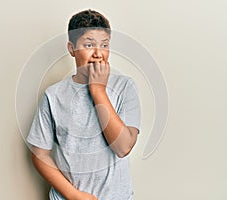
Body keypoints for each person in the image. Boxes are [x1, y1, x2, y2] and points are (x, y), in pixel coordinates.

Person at [27, 9, 141, 200]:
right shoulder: (53, 95)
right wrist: (73, 195)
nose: (98, 54)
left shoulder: (125, 87)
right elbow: (39, 154)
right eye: (89, 44)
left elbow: (123, 147)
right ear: (72, 49)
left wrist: (98, 91)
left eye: (104, 45)